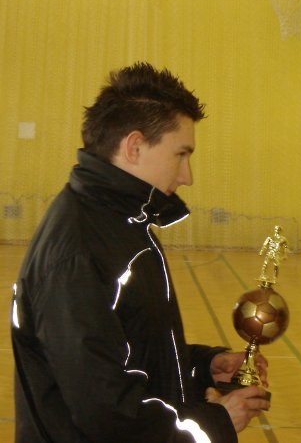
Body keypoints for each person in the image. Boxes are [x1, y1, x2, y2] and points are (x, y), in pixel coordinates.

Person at [11, 62, 270, 443]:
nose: (187, 176)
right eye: (181, 154)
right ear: (134, 147)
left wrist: (202, 367)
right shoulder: (79, 250)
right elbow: (104, 410)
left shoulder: (123, 225)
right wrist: (213, 422)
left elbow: (128, 352)